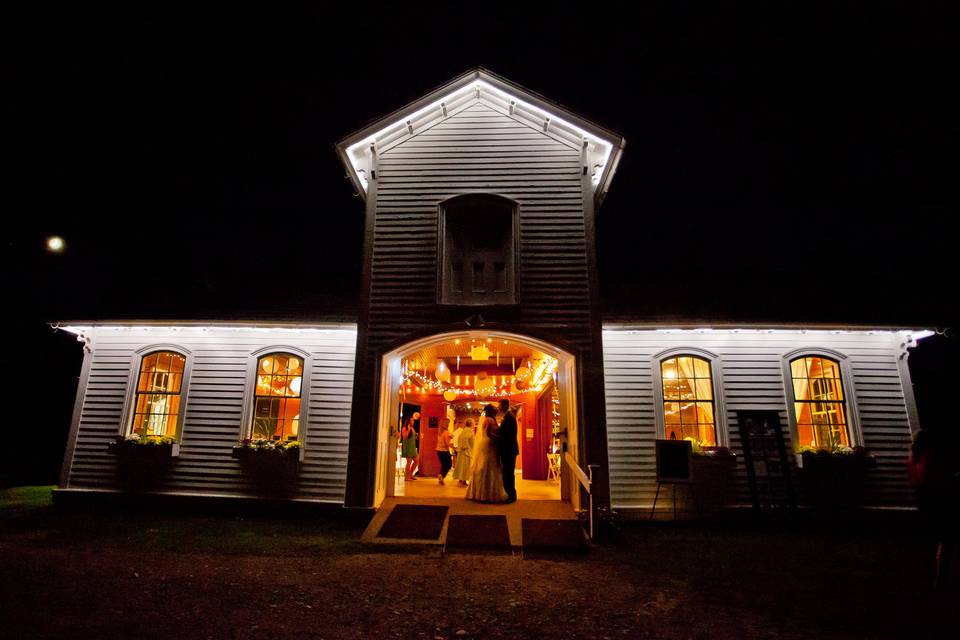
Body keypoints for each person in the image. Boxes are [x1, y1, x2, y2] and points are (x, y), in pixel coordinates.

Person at [907, 428, 958, 591]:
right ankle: (941, 578)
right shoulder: (928, 458)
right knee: (947, 540)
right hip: (937, 501)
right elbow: (940, 479)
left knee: (945, 540)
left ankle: (941, 578)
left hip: (924, 503)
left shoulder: (911, 459)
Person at [465, 405, 508, 503]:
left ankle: (481, 493)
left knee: (484, 465)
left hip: (485, 443)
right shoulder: (490, 420)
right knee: (489, 466)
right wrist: (499, 439)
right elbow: (489, 433)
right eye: (495, 410)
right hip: (489, 444)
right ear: (492, 412)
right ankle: (487, 494)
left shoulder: (487, 420)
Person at [494, 398, 520, 503]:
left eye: (499, 405)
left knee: (508, 473)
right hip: (509, 449)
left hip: (509, 449)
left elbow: (506, 436)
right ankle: (510, 495)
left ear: (504, 405)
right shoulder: (508, 417)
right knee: (507, 473)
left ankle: (511, 496)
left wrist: (494, 437)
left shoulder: (509, 418)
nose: (498, 407)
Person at [452, 418, 476, 487]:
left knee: (463, 467)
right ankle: (462, 481)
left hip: (463, 452)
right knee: (464, 467)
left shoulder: (465, 431)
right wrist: (467, 448)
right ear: (471, 424)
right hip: (466, 452)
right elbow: (465, 440)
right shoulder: (468, 431)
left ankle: (463, 480)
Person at [399, 413, 420, 481]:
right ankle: (406, 477)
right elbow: (405, 437)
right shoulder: (405, 428)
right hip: (407, 446)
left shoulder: (412, 428)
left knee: (416, 460)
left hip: (412, 447)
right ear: (408, 421)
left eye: (413, 421)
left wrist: (417, 436)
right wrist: (408, 430)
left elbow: (412, 437)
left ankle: (410, 475)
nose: (413, 422)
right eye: (411, 421)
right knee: (409, 462)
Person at [436, 419, 453, 484]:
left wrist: (450, 437)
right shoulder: (446, 432)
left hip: (438, 450)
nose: (448, 424)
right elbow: (447, 443)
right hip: (444, 451)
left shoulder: (440, 431)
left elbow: (442, 440)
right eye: (448, 423)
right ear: (445, 424)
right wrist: (454, 447)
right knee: (449, 465)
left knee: (443, 465)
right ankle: (441, 475)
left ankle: (441, 478)